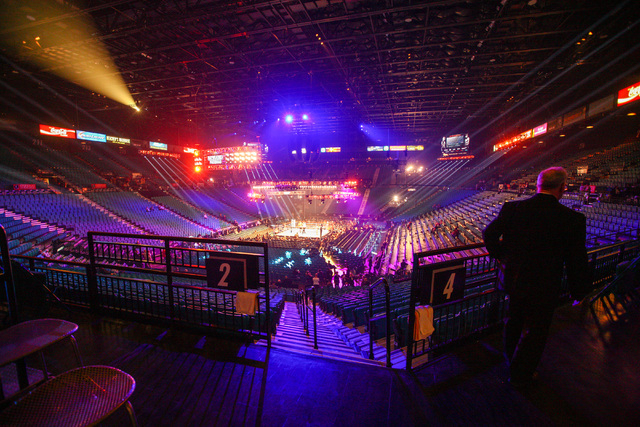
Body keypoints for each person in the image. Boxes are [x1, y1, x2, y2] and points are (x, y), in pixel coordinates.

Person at [483, 167, 590, 387]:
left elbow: (489, 234)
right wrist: (578, 291)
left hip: (514, 280)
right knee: (536, 331)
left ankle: (510, 362)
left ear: (538, 185)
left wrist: (503, 257)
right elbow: (576, 260)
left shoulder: (513, 208)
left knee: (513, 322)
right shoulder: (573, 219)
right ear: (562, 187)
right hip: (545, 285)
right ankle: (520, 375)